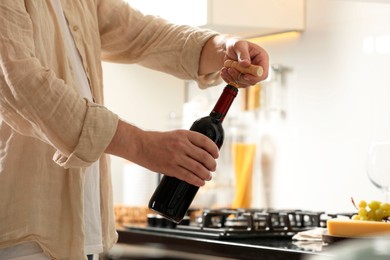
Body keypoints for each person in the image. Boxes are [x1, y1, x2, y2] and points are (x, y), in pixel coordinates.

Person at [0, 0, 269, 259]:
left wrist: (223, 48)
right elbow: (21, 83)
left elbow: (143, 35)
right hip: (23, 235)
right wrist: (141, 145)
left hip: (80, 232)